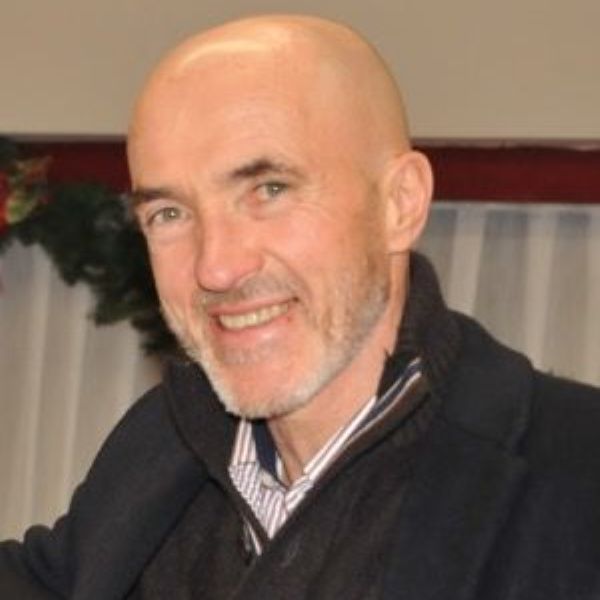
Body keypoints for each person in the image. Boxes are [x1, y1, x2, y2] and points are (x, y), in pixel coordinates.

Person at [2, 14, 600, 600]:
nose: (216, 266)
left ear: (400, 203)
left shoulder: (575, 476)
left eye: (269, 190)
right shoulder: (167, 440)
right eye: (169, 213)